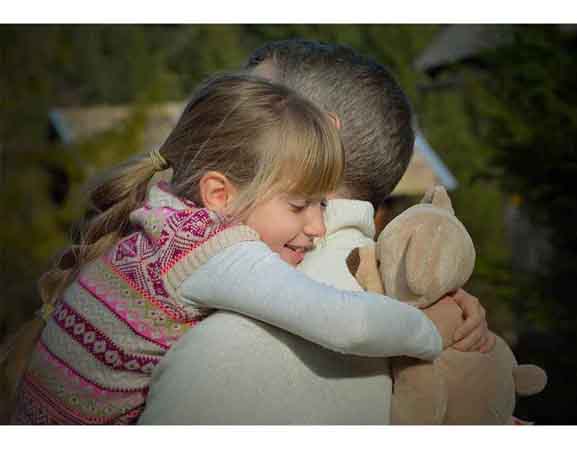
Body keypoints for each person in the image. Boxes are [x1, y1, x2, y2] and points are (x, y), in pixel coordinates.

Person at [10, 73, 462, 425]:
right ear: (220, 194)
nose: (319, 226)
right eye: (301, 205)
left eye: (323, 204)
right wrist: (432, 329)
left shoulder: (164, 210)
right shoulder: (215, 251)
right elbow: (349, 324)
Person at [138, 40, 494, 425]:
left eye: (249, 106)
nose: (220, 124)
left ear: (320, 133)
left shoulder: (223, 349)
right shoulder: (425, 309)